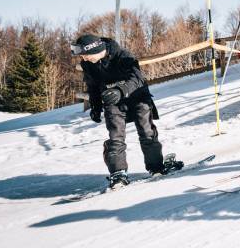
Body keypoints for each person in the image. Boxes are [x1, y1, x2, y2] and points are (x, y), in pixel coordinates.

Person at [72, 34, 182, 189]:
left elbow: (137, 79)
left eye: (85, 55)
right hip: (113, 102)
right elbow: (93, 86)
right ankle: (118, 173)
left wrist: (120, 90)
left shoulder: (122, 55)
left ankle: (156, 167)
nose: (83, 58)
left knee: (146, 131)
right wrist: (95, 107)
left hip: (138, 97)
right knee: (115, 136)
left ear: (95, 49)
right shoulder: (89, 65)